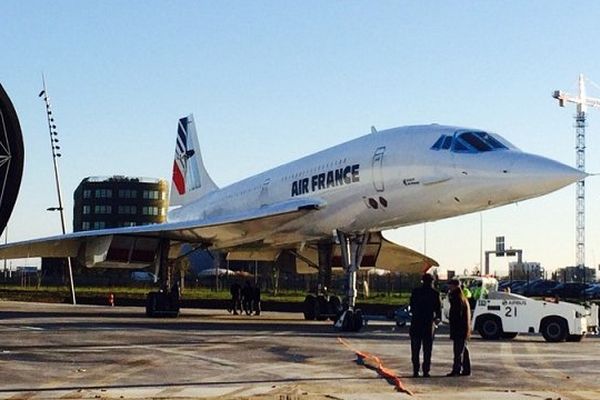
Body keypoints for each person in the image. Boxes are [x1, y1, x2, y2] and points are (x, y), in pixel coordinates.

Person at [409, 273, 442, 378]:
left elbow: (412, 306)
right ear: (432, 282)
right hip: (428, 324)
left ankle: (415, 370)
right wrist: (436, 320)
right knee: (427, 350)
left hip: (416, 323)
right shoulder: (435, 294)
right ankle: (426, 371)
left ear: (422, 281)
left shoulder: (416, 292)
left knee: (415, 349)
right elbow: (438, 311)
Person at [447, 279, 471, 377]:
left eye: (450, 285)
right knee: (463, 349)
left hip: (459, 328)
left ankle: (456, 369)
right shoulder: (462, 297)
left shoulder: (456, 298)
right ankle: (466, 369)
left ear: (455, 286)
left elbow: (456, 315)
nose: (449, 287)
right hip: (464, 328)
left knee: (458, 350)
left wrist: (451, 321)